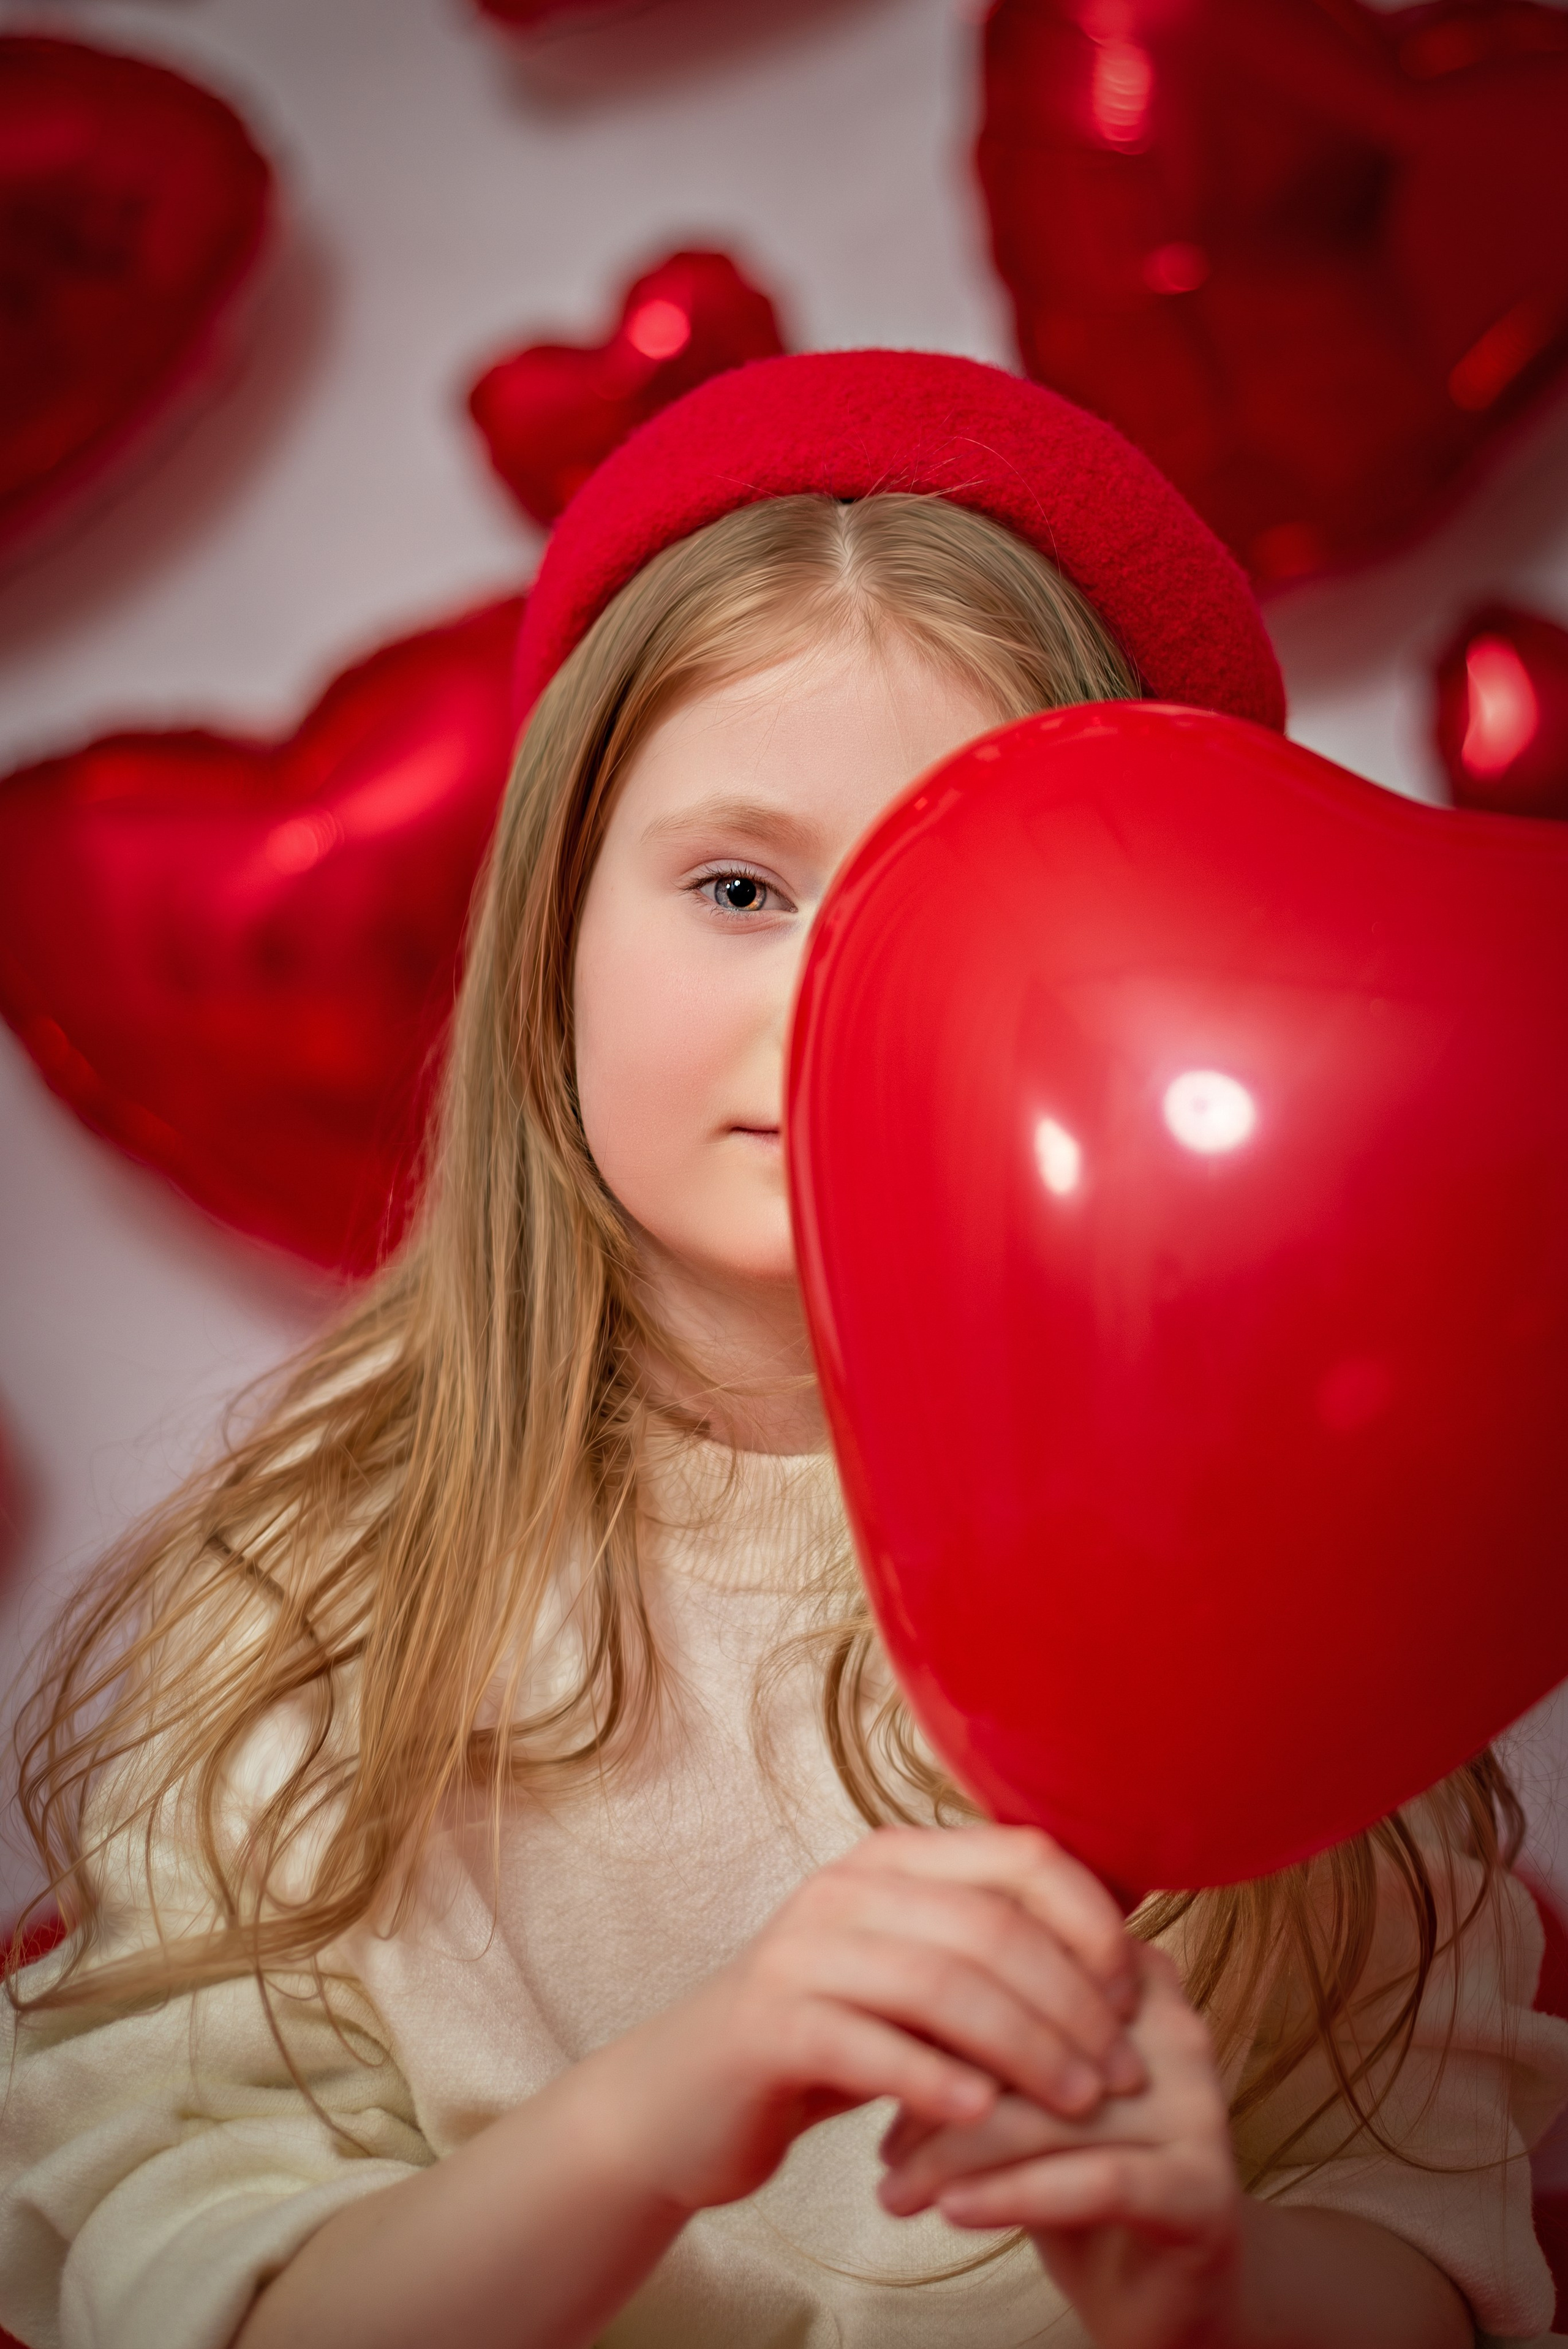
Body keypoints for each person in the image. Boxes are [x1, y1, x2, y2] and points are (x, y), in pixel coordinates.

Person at [2, 352, 1564, 2349]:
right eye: (741, 885)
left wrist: (1204, 2283)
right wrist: (655, 2123)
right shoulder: (321, 1578)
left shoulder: (1296, 1550)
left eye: (955, 884)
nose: (843, 986)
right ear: (556, 917)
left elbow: (1424, 2252)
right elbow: (207, 2294)